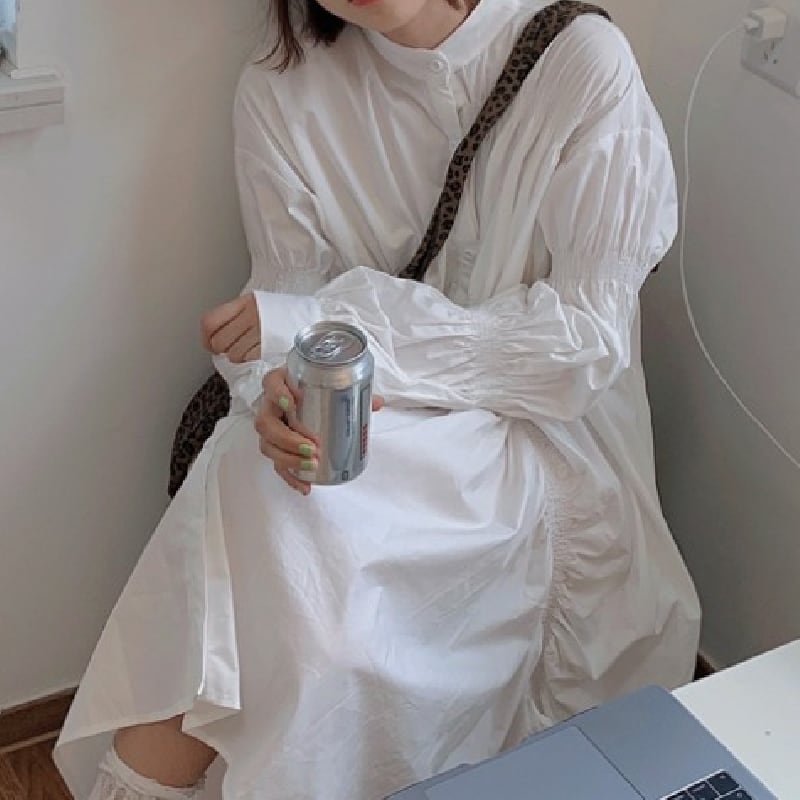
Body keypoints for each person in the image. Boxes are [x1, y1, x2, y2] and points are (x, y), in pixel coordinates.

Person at [55, 1, 702, 798]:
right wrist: (275, 393)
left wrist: (340, 330)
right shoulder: (284, 86)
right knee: (264, 492)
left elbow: (579, 347)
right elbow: (282, 304)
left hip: (538, 440)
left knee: (273, 546)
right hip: (368, 429)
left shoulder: (581, 61)